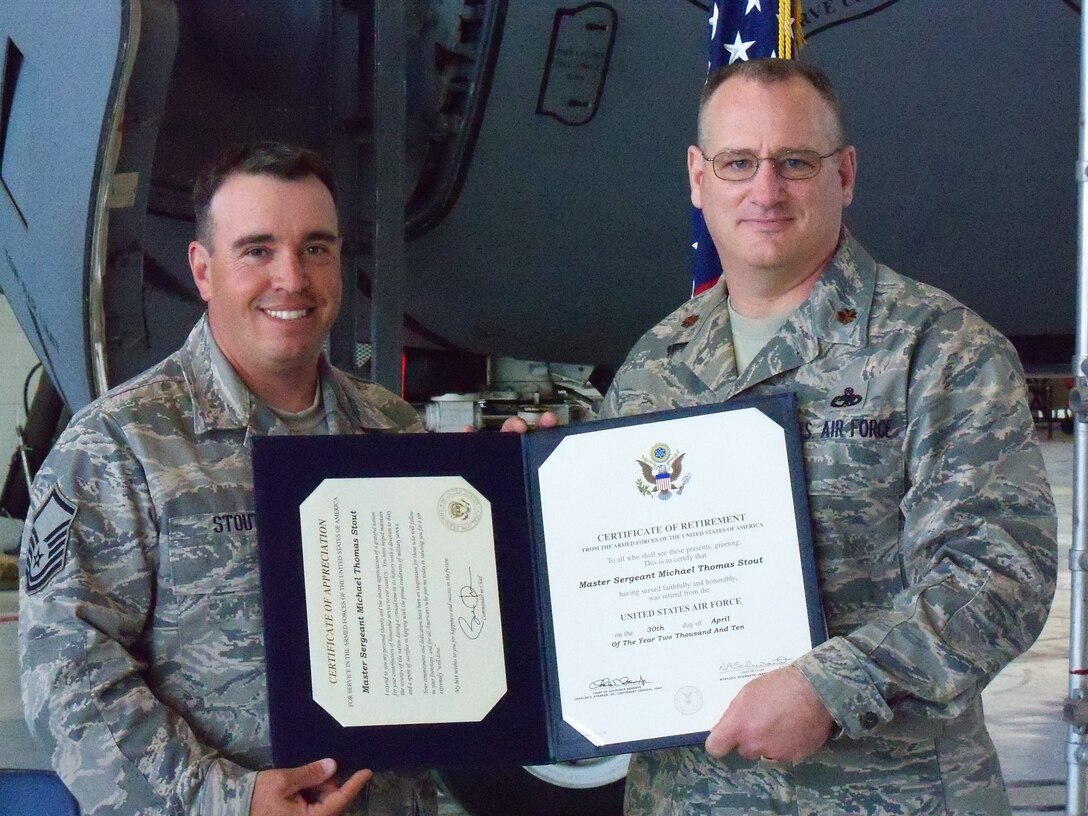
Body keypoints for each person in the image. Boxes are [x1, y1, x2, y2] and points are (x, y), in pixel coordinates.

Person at [601, 60, 1058, 815]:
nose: (765, 190)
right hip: (688, 795)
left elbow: (999, 576)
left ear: (843, 175)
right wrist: (529, 489)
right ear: (698, 178)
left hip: (885, 795)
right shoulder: (656, 363)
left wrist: (830, 687)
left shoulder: (940, 350)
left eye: (795, 163)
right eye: (738, 163)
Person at [19, 142, 467, 815]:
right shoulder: (119, 445)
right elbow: (65, 676)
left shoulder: (391, 432)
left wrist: (517, 498)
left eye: (316, 248)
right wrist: (228, 799)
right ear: (203, 270)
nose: (292, 277)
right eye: (258, 250)